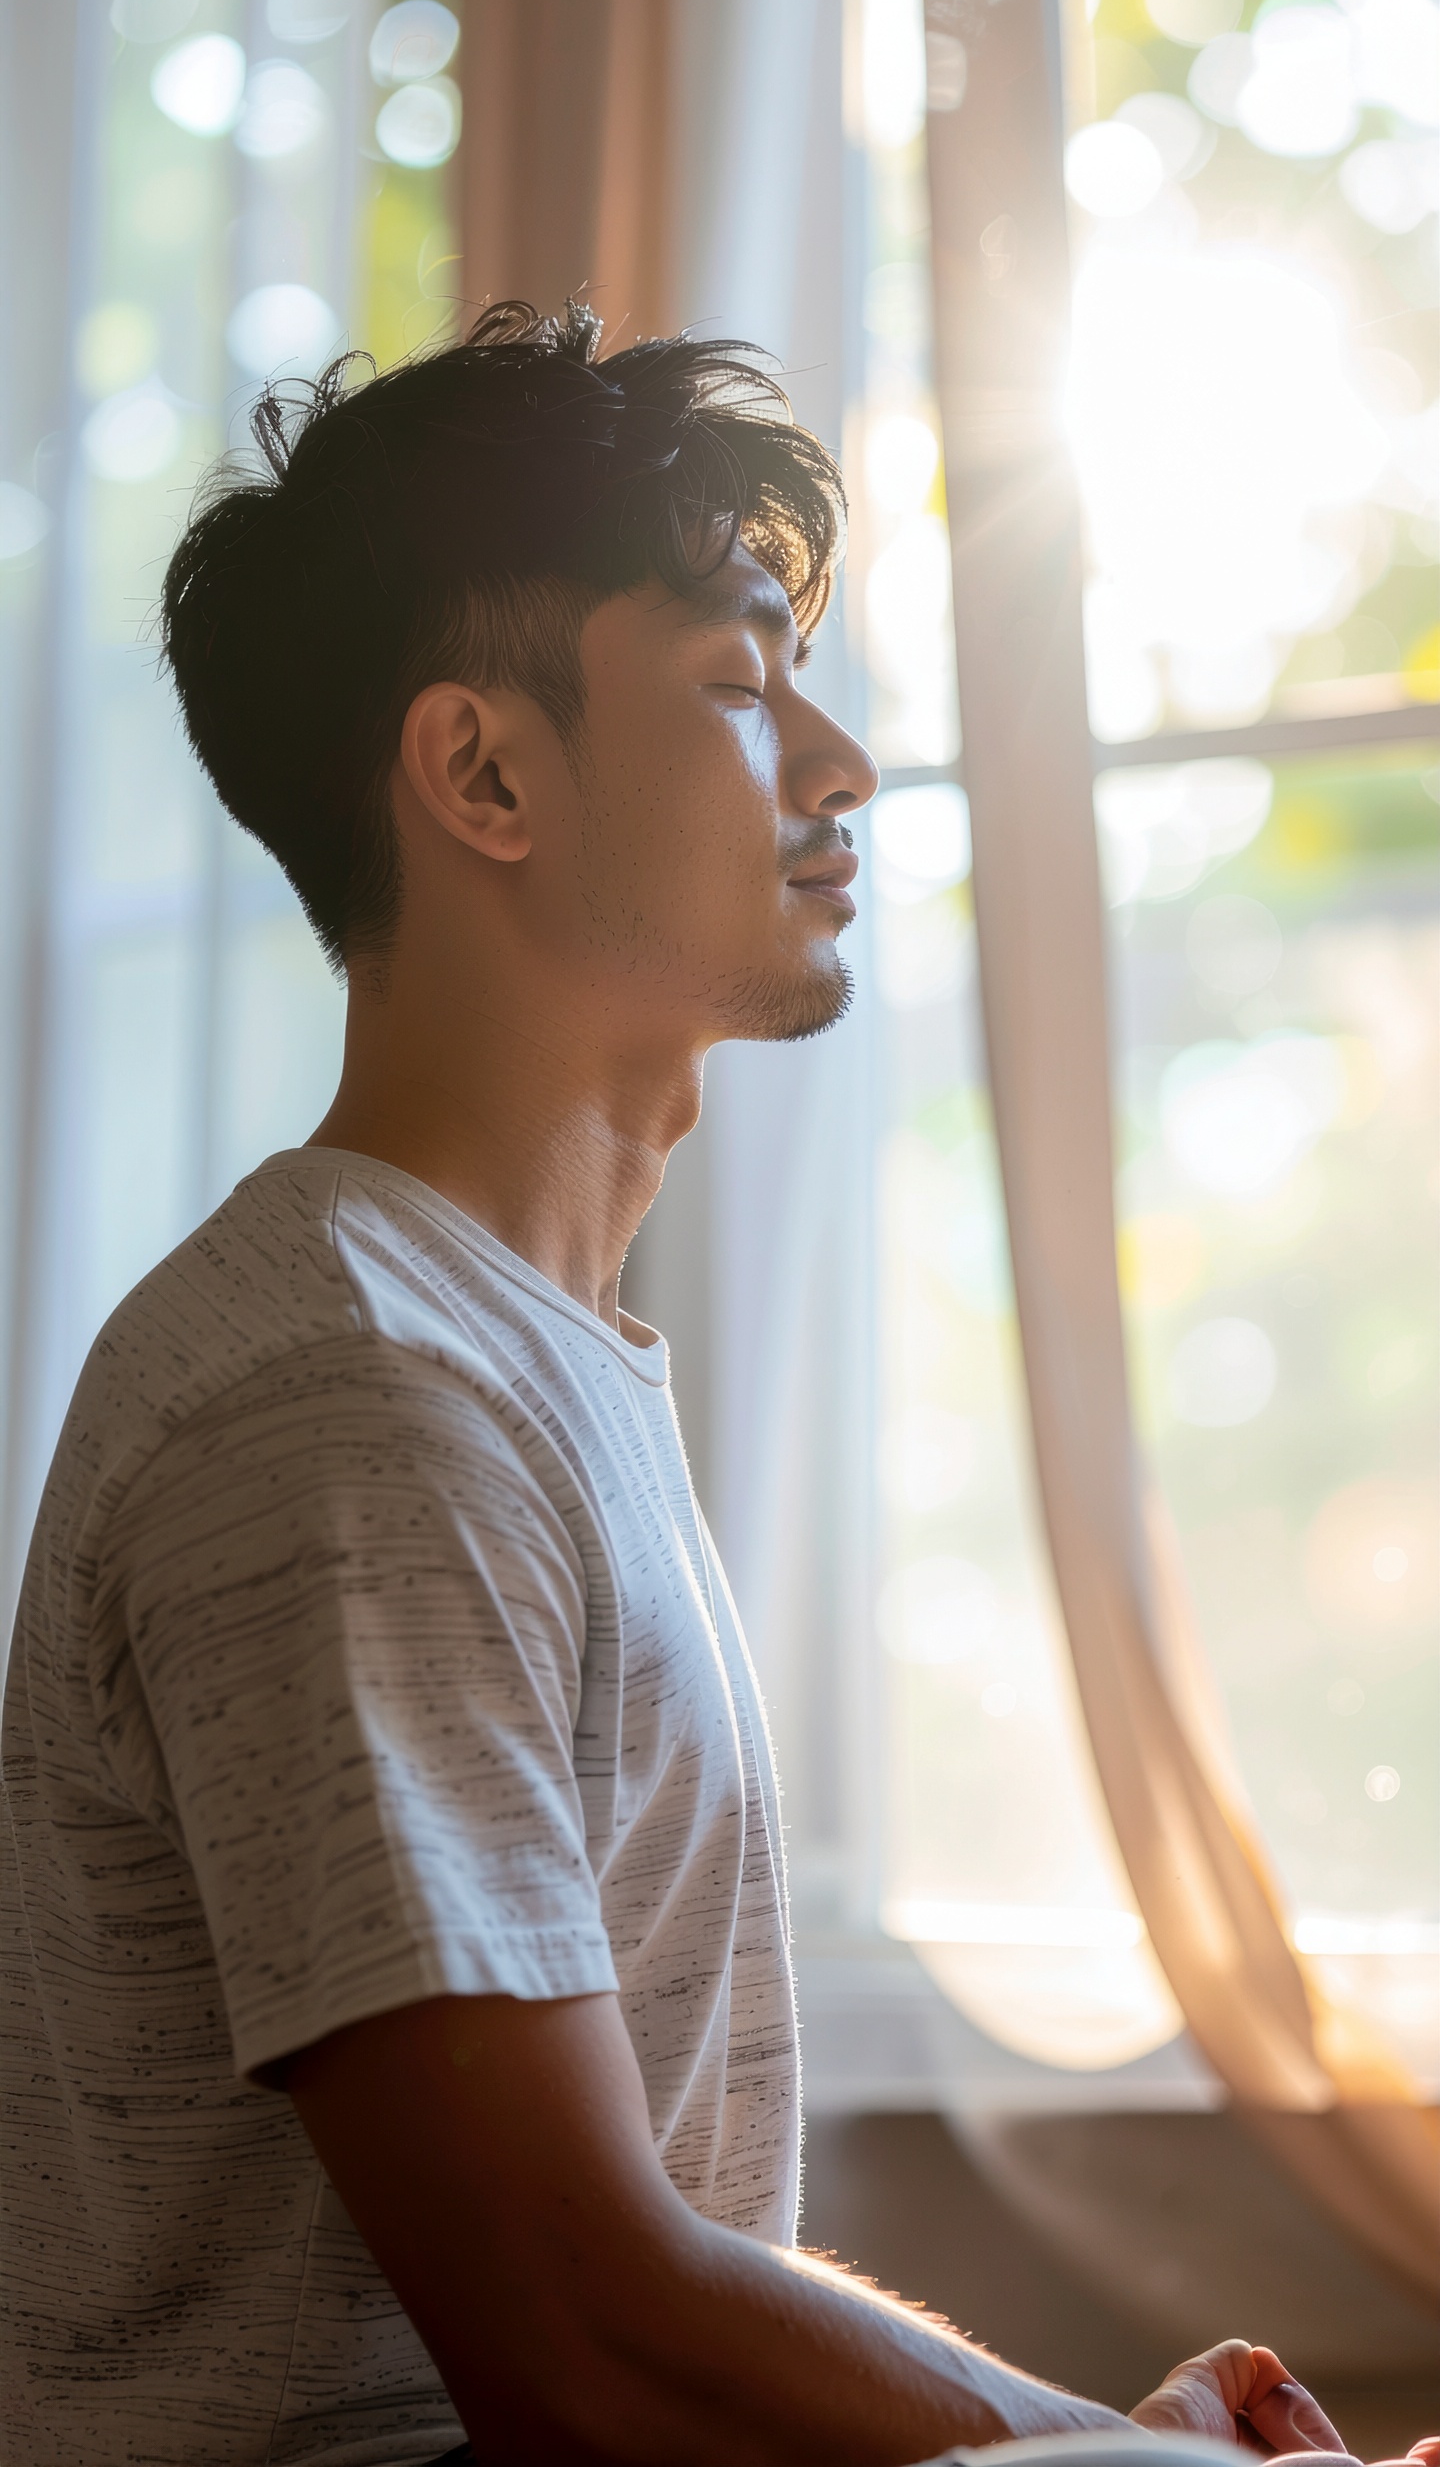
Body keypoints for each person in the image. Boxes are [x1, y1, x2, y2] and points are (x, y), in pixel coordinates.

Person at [0, 302, 1355, 2467]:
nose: (837, 764)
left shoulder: (506, 1361)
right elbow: (584, 2338)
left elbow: (637, 2260)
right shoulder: (347, 1404)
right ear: (483, 773)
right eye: (736, 684)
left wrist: (1105, 2443)